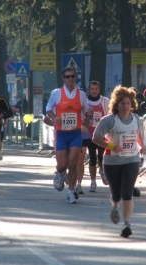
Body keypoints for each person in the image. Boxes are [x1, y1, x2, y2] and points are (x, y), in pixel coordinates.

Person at [92, 85, 146, 238]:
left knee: (127, 192)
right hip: (112, 162)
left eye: (128, 103)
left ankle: (127, 224)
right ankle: (115, 206)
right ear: (116, 105)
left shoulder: (136, 119)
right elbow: (95, 138)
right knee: (116, 194)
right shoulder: (109, 120)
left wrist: (142, 146)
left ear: (132, 105)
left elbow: (137, 134)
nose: (125, 106)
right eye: (122, 103)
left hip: (131, 159)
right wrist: (111, 146)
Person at [46, 67, 93, 204]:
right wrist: (54, 117)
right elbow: (48, 108)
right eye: (67, 77)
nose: (70, 79)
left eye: (72, 76)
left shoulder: (81, 94)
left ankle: (71, 192)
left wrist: (88, 116)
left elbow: (85, 113)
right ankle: (60, 173)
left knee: (73, 163)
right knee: (62, 164)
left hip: (75, 133)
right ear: (63, 79)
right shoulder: (57, 93)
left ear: (75, 77)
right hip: (61, 133)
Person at [86, 81, 110, 192]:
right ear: (89, 90)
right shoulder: (85, 101)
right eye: (92, 89)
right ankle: (93, 182)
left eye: (96, 89)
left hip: (101, 135)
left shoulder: (105, 101)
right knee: (92, 159)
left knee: (101, 157)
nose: (94, 91)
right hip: (89, 134)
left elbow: (109, 117)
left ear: (99, 90)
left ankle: (102, 170)